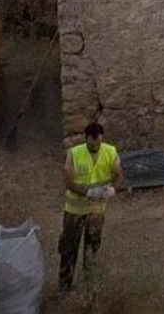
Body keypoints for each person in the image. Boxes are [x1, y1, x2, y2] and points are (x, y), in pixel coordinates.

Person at [59, 122, 124, 291]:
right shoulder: (74, 154)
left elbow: (119, 175)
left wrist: (112, 190)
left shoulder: (110, 151)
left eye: (98, 143)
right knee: (68, 250)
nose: (95, 146)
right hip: (75, 211)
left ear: (102, 139)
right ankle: (65, 287)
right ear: (86, 138)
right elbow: (69, 183)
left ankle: (90, 288)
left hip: (96, 212)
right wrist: (87, 192)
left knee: (92, 250)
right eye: (92, 143)